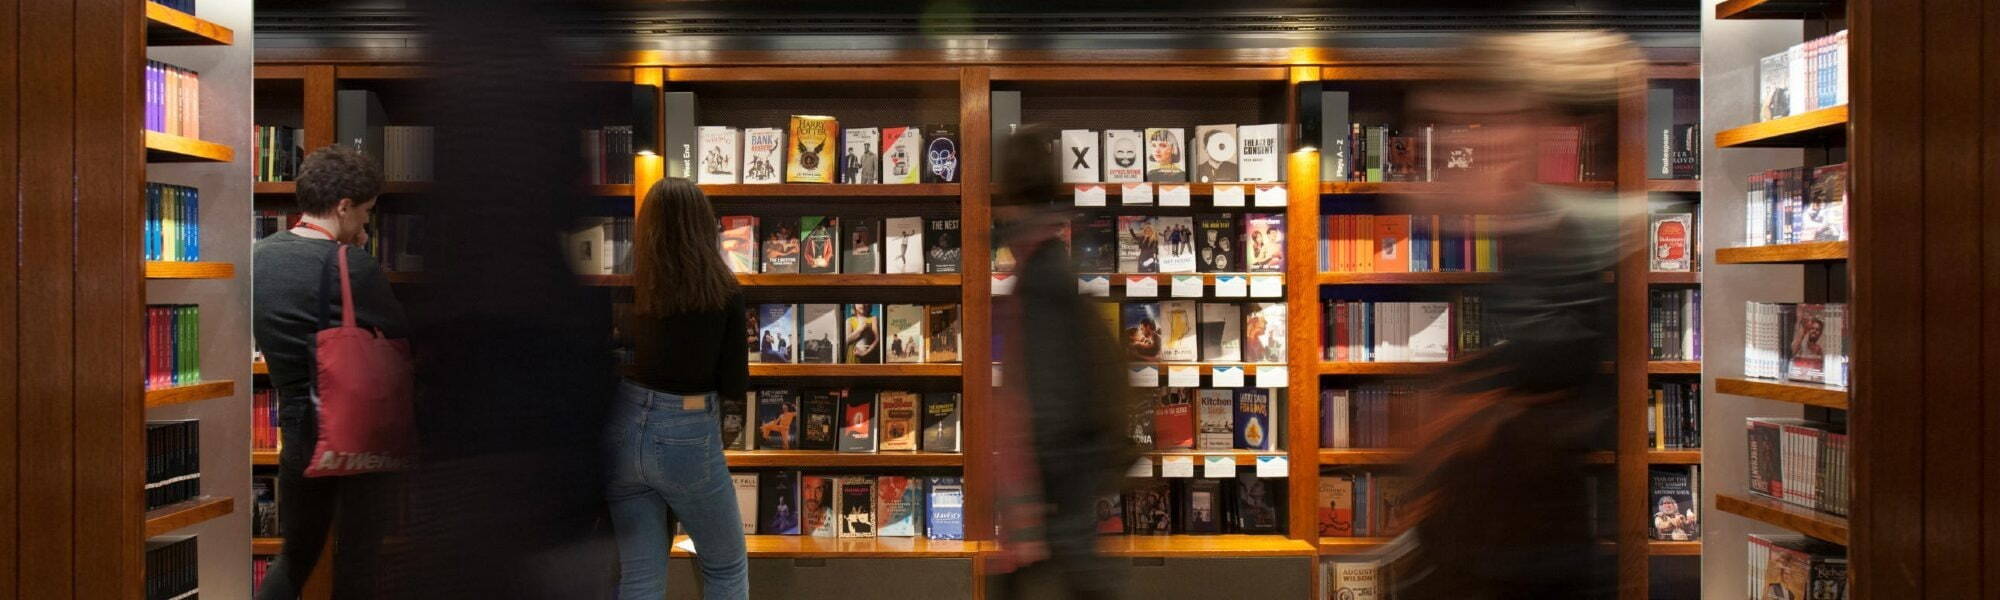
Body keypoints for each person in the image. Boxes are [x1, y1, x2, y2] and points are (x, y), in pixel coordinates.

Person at [1389, 31, 1636, 599]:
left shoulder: (1570, 232)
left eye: (1480, 131)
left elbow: (1563, 377)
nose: (1460, 154)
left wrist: (1472, 410)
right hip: (1478, 541)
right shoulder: (1519, 232)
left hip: (1526, 550)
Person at [989, 124, 1138, 600]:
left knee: (1082, 583)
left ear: (1011, 197)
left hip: (1055, 484)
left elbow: (1042, 405)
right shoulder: (1049, 267)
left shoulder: (1039, 282)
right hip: (1066, 480)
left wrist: (1027, 508)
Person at [252, 146, 405, 600]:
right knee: (360, 554)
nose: (365, 224)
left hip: (298, 425)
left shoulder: (261, 255)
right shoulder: (352, 264)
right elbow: (399, 336)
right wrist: (355, 256)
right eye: (365, 212)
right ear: (343, 206)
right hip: (354, 424)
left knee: (297, 554)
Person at [605, 177, 749, 600]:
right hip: (687, 428)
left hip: (621, 426)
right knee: (725, 566)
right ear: (704, 225)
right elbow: (734, 384)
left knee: (639, 576)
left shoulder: (626, 285)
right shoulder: (722, 291)